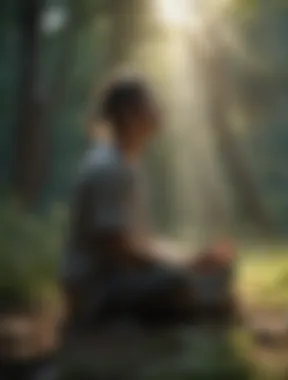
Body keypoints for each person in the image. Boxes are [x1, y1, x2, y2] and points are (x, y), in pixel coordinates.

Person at [61, 73, 236, 328]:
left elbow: (139, 243)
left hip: (121, 277)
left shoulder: (125, 163)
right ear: (129, 114)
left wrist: (193, 258)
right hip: (98, 287)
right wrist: (188, 263)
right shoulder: (109, 167)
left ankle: (196, 304)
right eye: (150, 105)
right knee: (178, 280)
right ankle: (189, 308)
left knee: (219, 269)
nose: (158, 113)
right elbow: (119, 249)